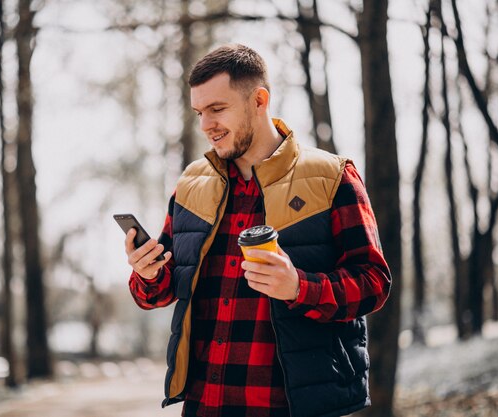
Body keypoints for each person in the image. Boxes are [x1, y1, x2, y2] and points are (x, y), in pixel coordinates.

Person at [124, 44, 391, 417]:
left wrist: (299, 288)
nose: (206, 125)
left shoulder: (331, 177)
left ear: (259, 101)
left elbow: (374, 282)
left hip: (291, 406)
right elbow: (161, 290)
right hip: (204, 405)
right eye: (200, 112)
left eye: (218, 109)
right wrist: (147, 273)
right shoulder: (190, 185)